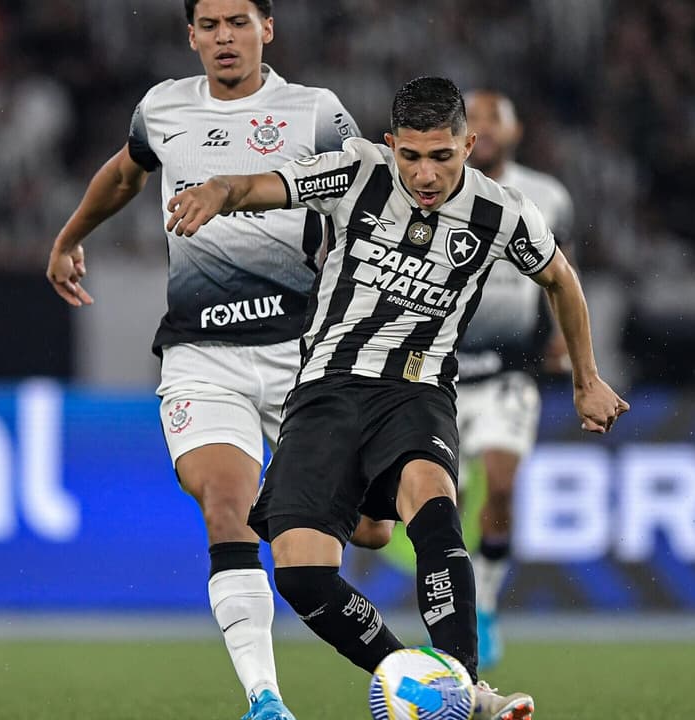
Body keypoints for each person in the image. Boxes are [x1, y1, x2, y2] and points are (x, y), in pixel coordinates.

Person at [165, 76, 629, 720]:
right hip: (325, 390)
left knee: (435, 507)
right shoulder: (356, 172)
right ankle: (413, 677)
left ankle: (465, 690)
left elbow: (560, 278)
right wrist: (218, 191)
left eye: (442, 156)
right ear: (390, 145)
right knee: (301, 574)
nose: (426, 174)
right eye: (411, 156)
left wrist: (586, 377)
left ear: (469, 145)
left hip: (416, 388)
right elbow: (259, 185)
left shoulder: (503, 212)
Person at [45, 2, 389, 719]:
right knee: (224, 508)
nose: (224, 37)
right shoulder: (163, 108)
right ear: (191, 35)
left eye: (239, 21)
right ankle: (265, 700)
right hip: (203, 357)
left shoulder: (316, 112)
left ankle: (299, 506)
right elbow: (124, 173)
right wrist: (70, 235)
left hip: (302, 357)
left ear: (269, 28)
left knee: (369, 530)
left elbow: (370, 198)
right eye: (210, 24)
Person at [457, 90, 576, 671]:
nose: (483, 128)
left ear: (514, 131)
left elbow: (563, 273)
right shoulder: (435, 186)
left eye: (493, 119)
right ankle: (452, 606)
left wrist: (562, 338)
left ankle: (480, 602)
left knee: (500, 484)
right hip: (438, 367)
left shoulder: (549, 196)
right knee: (437, 500)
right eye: (473, 119)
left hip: (511, 367)